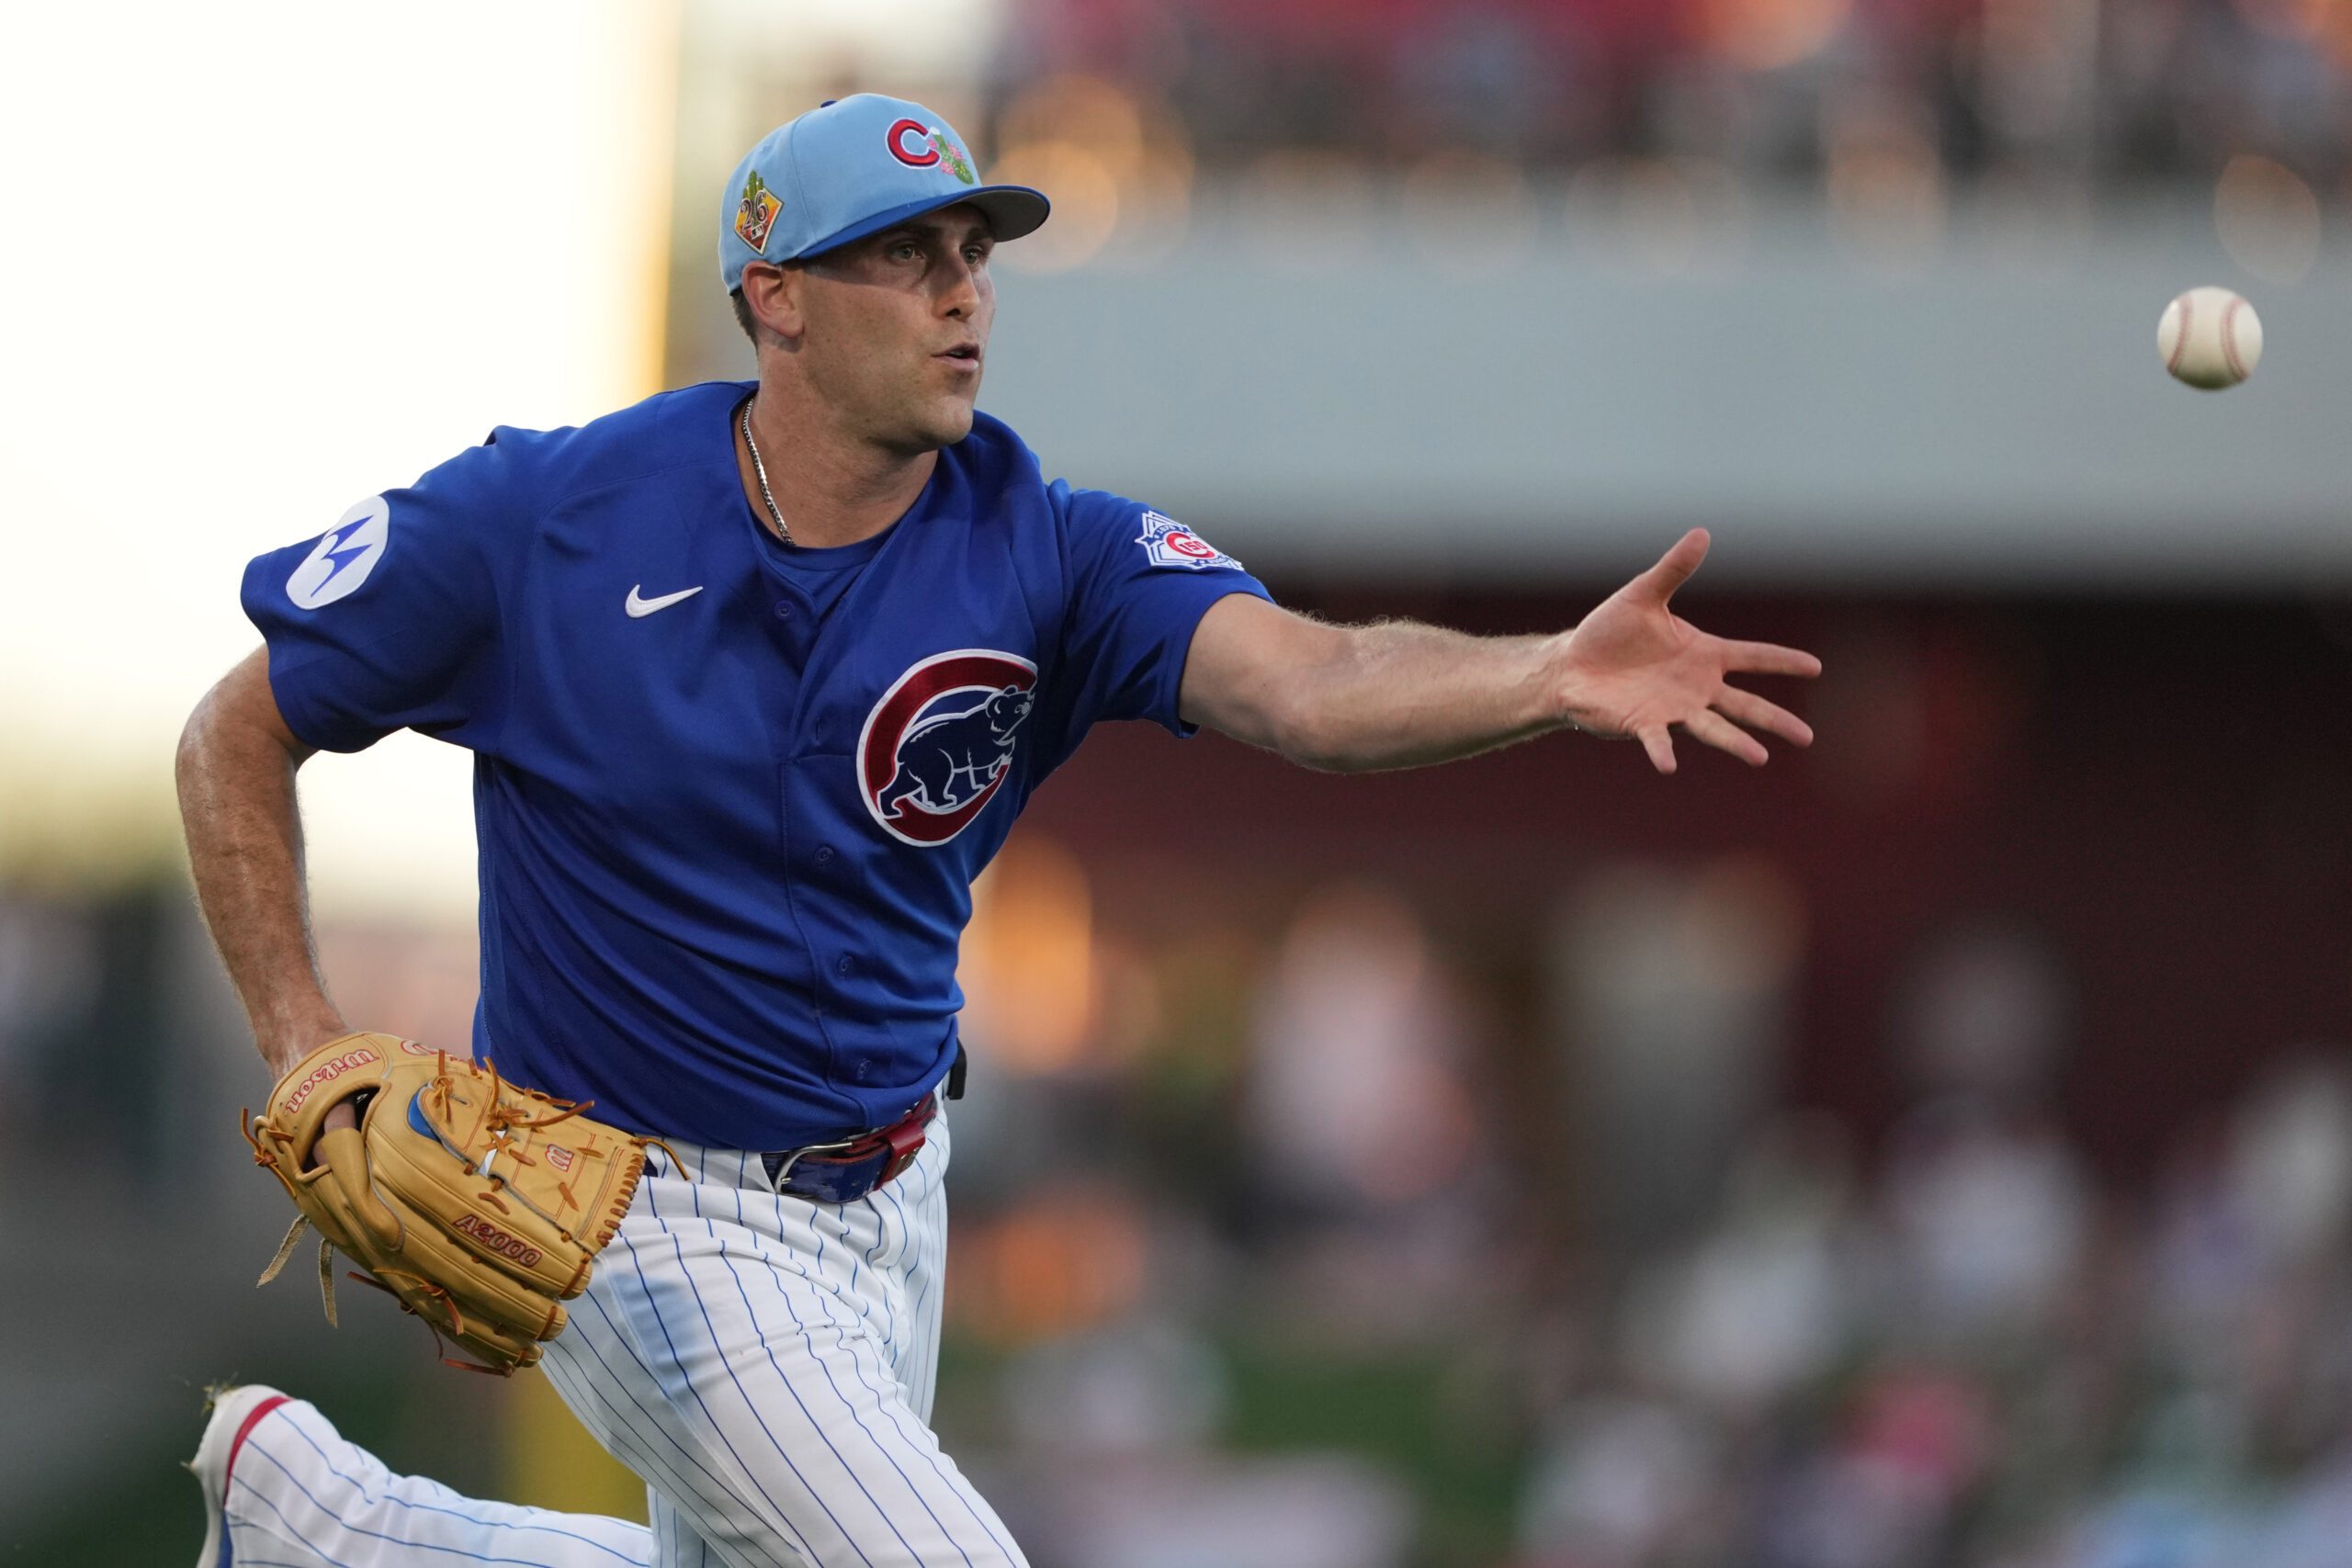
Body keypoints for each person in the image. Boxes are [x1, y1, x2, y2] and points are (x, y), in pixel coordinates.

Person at [175, 93, 1820, 1568]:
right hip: (637, 1205)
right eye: (902, 254)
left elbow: (1312, 685)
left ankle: (334, 1525)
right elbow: (235, 732)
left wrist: (1545, 671)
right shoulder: (547, 519)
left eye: (975, 248)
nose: (963, 289)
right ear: (778, 300)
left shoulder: (1048, 550)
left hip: (896, 1195)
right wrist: (303, 1042)